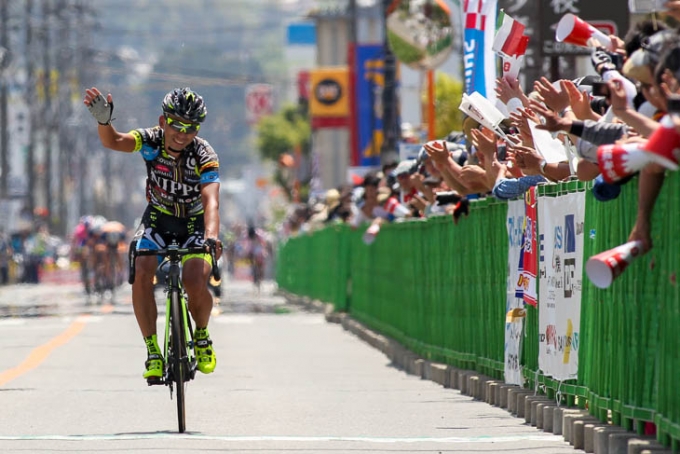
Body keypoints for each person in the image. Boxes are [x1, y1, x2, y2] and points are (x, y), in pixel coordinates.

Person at [83, 86, 222, 381]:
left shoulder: (204, 153)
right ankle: (153, 351)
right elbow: (116, 141)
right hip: (157, 220)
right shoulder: (150, 141)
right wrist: (104, 123)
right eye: (177, 125)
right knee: (143, 270)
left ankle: (201, 335)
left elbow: (212, 200)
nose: (183, 134)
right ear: (163, 121)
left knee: (195, 278)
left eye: (191, 127)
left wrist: (211, 234)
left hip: (194, 224)